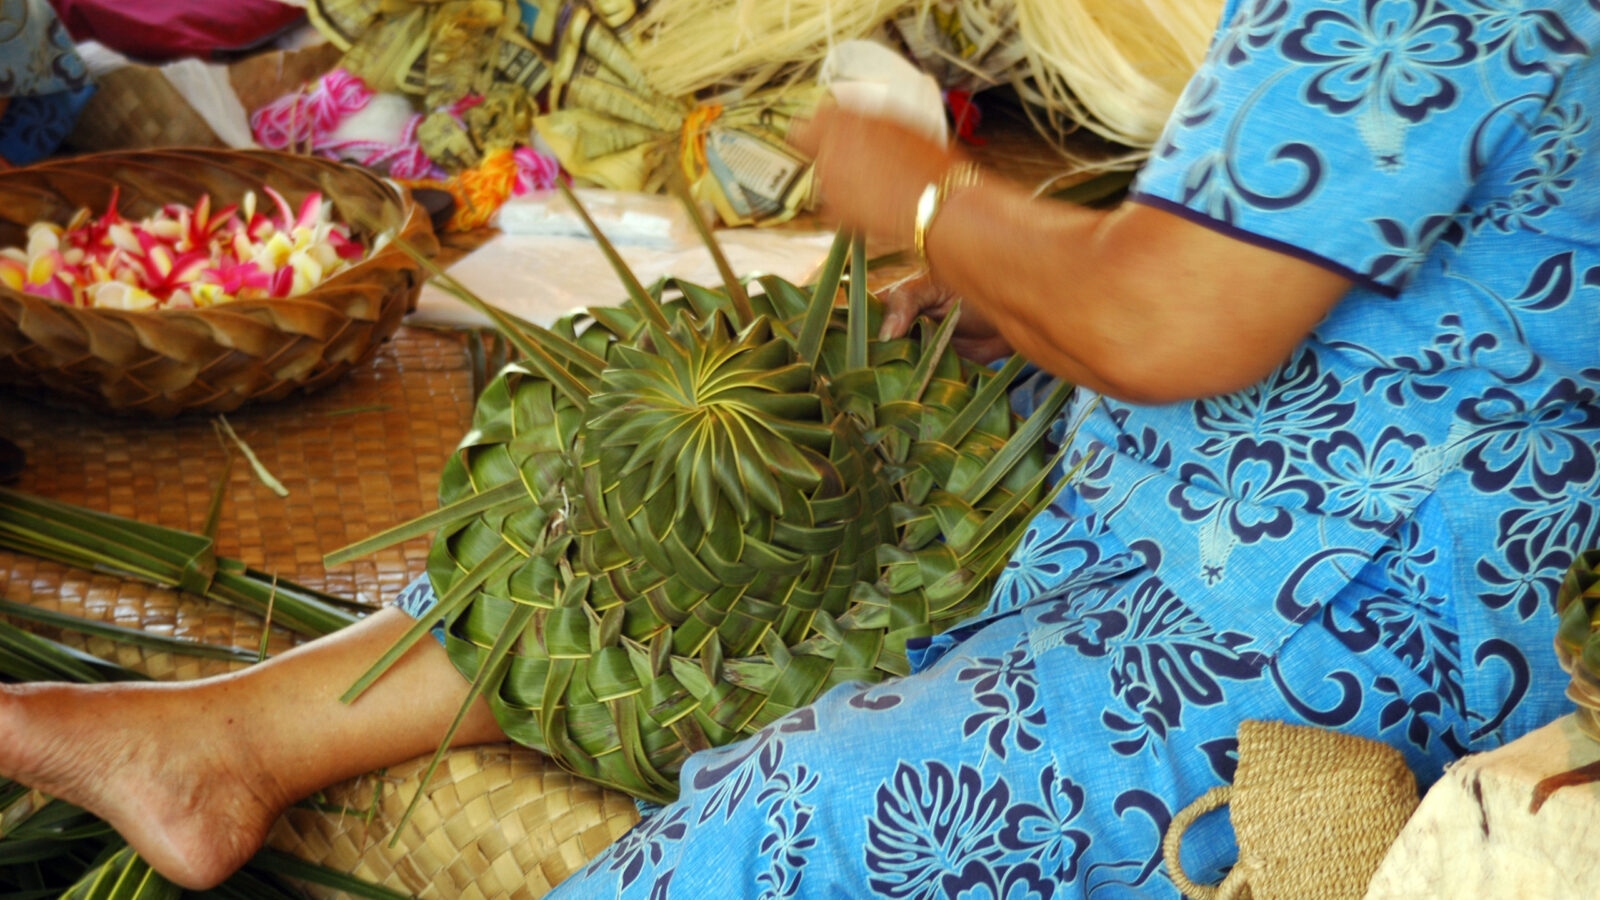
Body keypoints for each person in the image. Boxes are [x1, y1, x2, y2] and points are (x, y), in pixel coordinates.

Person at [4, 0, 1598, 895]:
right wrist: (1015, 284)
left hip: (1314, 620)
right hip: (1223, 477)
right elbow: (1311, 242)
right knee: (726, 507)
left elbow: (1180, 321)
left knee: (820, 810)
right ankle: (239, 740)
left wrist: (923, 195)